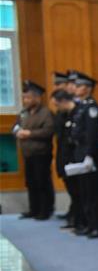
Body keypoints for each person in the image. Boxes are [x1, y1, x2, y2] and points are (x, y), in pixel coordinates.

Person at [69, 70, 98, 238]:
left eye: (79, 86)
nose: (75, 88)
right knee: (84, 191)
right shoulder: (81, 106)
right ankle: (89, 223)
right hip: (80, 151)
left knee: (93, 192)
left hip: (89, 153)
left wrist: (89, 155)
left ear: (87, 88)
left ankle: (97, 225)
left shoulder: (92, 107)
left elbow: (92, 133)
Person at [15, 81, 55, 220]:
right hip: (27, 153)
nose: (25, 100)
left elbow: (48, 130)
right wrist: (17, 132)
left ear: (37, 98)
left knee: (42, 182)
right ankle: (34, 209)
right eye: (24, 97)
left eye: (28, 97)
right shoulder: (23, 112)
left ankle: (45, 210)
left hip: (41, 153)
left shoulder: (46, 113)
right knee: (30, 182)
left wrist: (30, 134)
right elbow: (15, 126)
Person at [50, 88, 78, 226]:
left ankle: (77, 217)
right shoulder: (61, 115)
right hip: (63, 156)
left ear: (64, 101)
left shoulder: (76, 113)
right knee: (71, 189)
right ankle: (74, 215)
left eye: (57, 104)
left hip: (73, 158)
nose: (57, 108)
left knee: (77, 191)